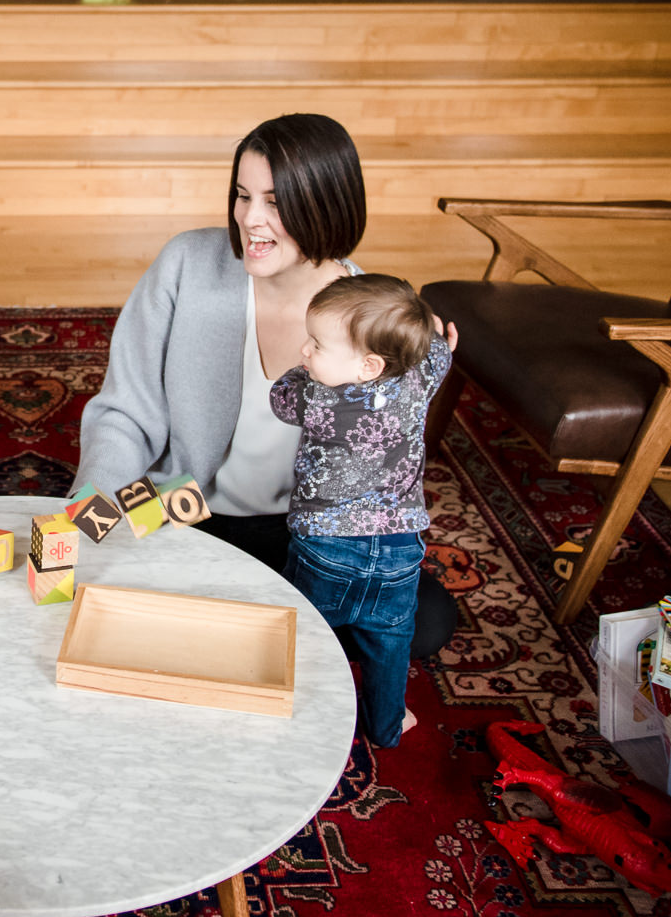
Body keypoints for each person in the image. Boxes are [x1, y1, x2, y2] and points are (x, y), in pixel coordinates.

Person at [73, 113, 460, 655]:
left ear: (327, 206)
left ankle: (244, 628)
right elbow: (124, 412)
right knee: (108, 593)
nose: (251, 219)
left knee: (428, 619)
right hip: (184, 513)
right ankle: (257, 632)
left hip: (303, 538)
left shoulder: (373, 319)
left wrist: (410, 390)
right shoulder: (187, 262)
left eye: (276, 202)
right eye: (242, 195)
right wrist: (89, 508)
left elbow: (382, 461)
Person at [270, 274, 453, 746]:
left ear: (370, 365)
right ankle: (387, 725)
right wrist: (431, 339)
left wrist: (294, 372)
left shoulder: (317, 400)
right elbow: (438, 350)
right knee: (391, 645)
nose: (305, 352)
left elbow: (280, 399)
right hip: (400, 553)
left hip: (326, 549)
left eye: (317, 344)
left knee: (306, 632)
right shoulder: (420, 376)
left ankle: (294, 714)